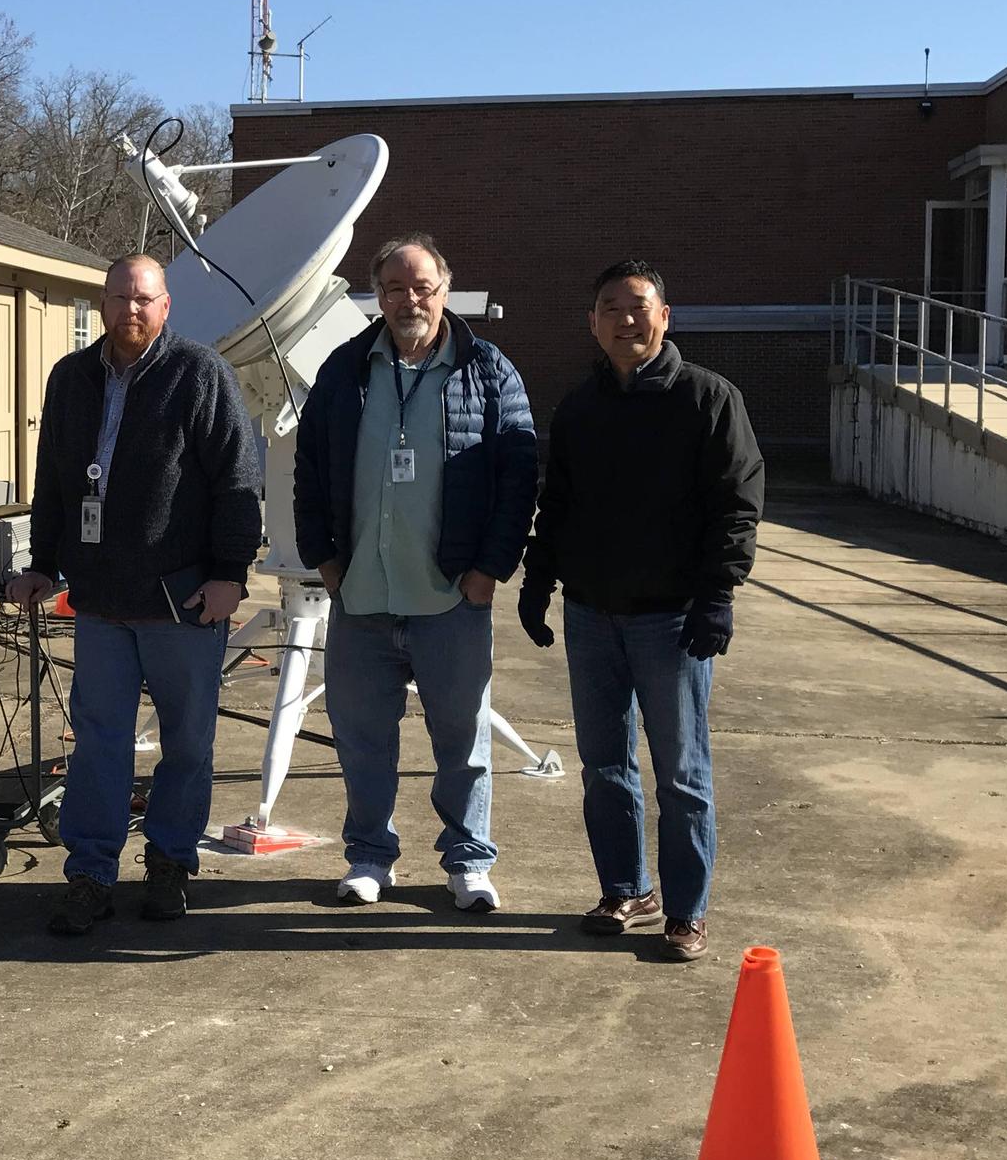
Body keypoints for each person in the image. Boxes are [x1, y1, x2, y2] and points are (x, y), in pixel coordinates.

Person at [6, 254, 263, 935]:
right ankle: (90, 873)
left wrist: (230, 574)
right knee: (99, 742)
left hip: (182, 599)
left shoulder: (200, 374)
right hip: (101, 601)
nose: (131, 311)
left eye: (144, 299)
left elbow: (238, 480)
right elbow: (56, 481)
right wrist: (43, 564)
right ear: (102, 303)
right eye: (119, 298)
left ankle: (170, 865)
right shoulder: (71, 378)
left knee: (187, 742)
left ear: (166, 305)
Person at [518, 262, 765, 962]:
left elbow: (737, 506)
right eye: (609, 308)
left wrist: (718, 593)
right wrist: (539, 583)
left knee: (682, 774)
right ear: (591, 322)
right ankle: (627, 887)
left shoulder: (707, 399)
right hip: (592, 615)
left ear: (666, 316)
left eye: (638, 306)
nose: (625, 319)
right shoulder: (579, 408)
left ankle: (687, 911)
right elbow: (557, 506)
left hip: (672, 619)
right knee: (604, 765)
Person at [293, 235, 538, 912]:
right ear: (378, 295)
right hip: (363, 598)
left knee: (462, 739)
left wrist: (489, 571)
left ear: (445, 290)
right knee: (364, 740)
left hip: (449, 596)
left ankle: (468, 861)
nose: (410, 299)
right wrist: (328, 562)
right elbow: (308, 470)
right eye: (395, 287)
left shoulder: (487, 370)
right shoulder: (345, 370)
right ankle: (371, 856)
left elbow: (518, 479)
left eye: (423, 286)